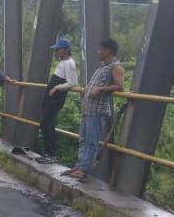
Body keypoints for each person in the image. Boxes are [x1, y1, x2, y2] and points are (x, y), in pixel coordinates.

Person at [64, 38, 125, 180]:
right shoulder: (103, 67)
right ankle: (79, 165)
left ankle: (83, 169)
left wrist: (100, 89)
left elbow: (120, 86)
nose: (98, 52)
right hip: (88, 109)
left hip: (97, 110)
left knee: (91, 139)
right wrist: (87, 89)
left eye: (100, 49)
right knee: (83, 138)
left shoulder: (116, 67)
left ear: (108, 50)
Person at [36, 38, 78, 164]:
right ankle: (48, 153)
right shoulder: (63, 62)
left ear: (65, 50)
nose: (56, 52)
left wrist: (56, 87)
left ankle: (51, 154)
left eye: (58, 49)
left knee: (46, 123)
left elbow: (73, 83)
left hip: (56, 98)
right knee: (46, 124)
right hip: (51, 98)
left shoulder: (69, 63)